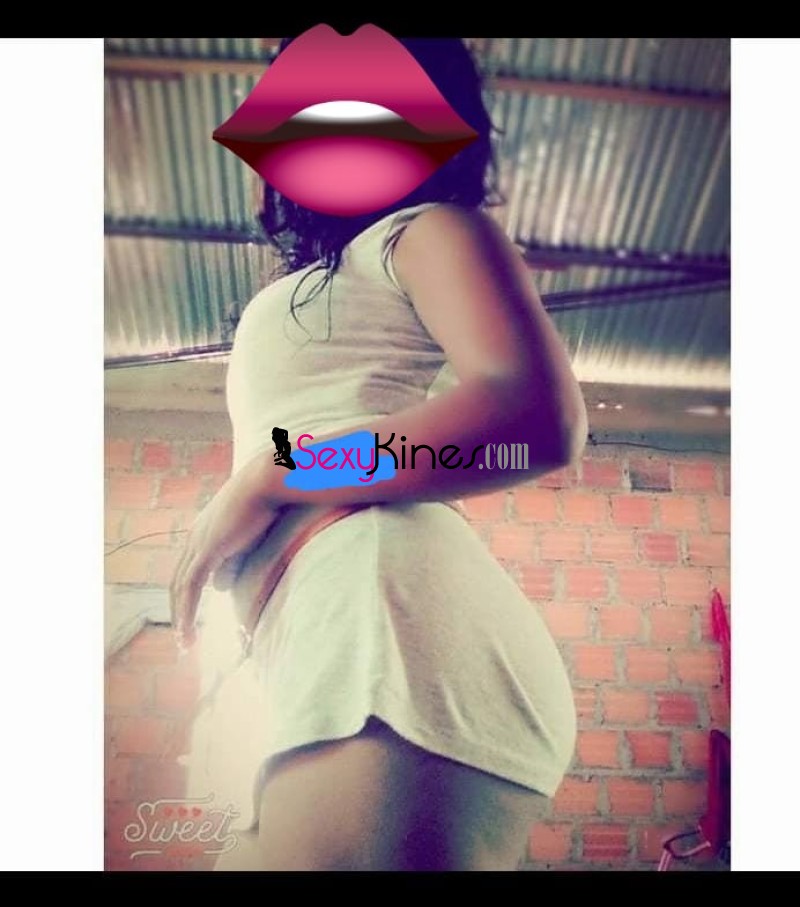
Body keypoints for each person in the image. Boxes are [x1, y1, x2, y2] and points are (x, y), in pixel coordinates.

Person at [170, 36, 588, 872]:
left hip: (386, 638)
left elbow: (534, 414)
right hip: (332, 648)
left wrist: (274, 476)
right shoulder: (346, 272)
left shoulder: (425, 229)